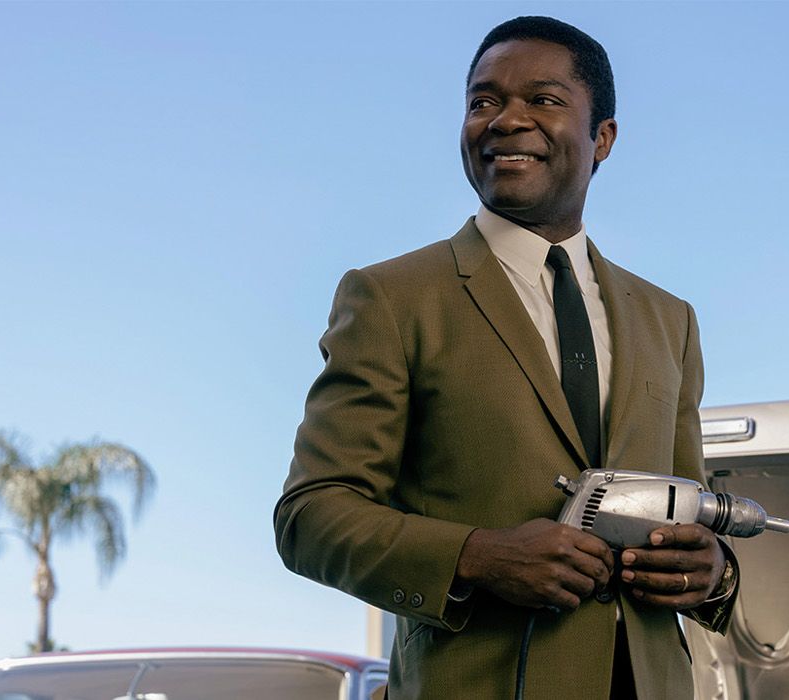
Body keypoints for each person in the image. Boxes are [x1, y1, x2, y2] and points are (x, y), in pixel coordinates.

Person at [274, 16, 739, 700]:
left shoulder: (671, 321)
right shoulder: (393, 297)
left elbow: (688, 512)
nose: (504, 120)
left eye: (543, 100)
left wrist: (713, 569)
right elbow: (310, 516)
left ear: (602, 137)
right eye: (483, 102)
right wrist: (476, 556)